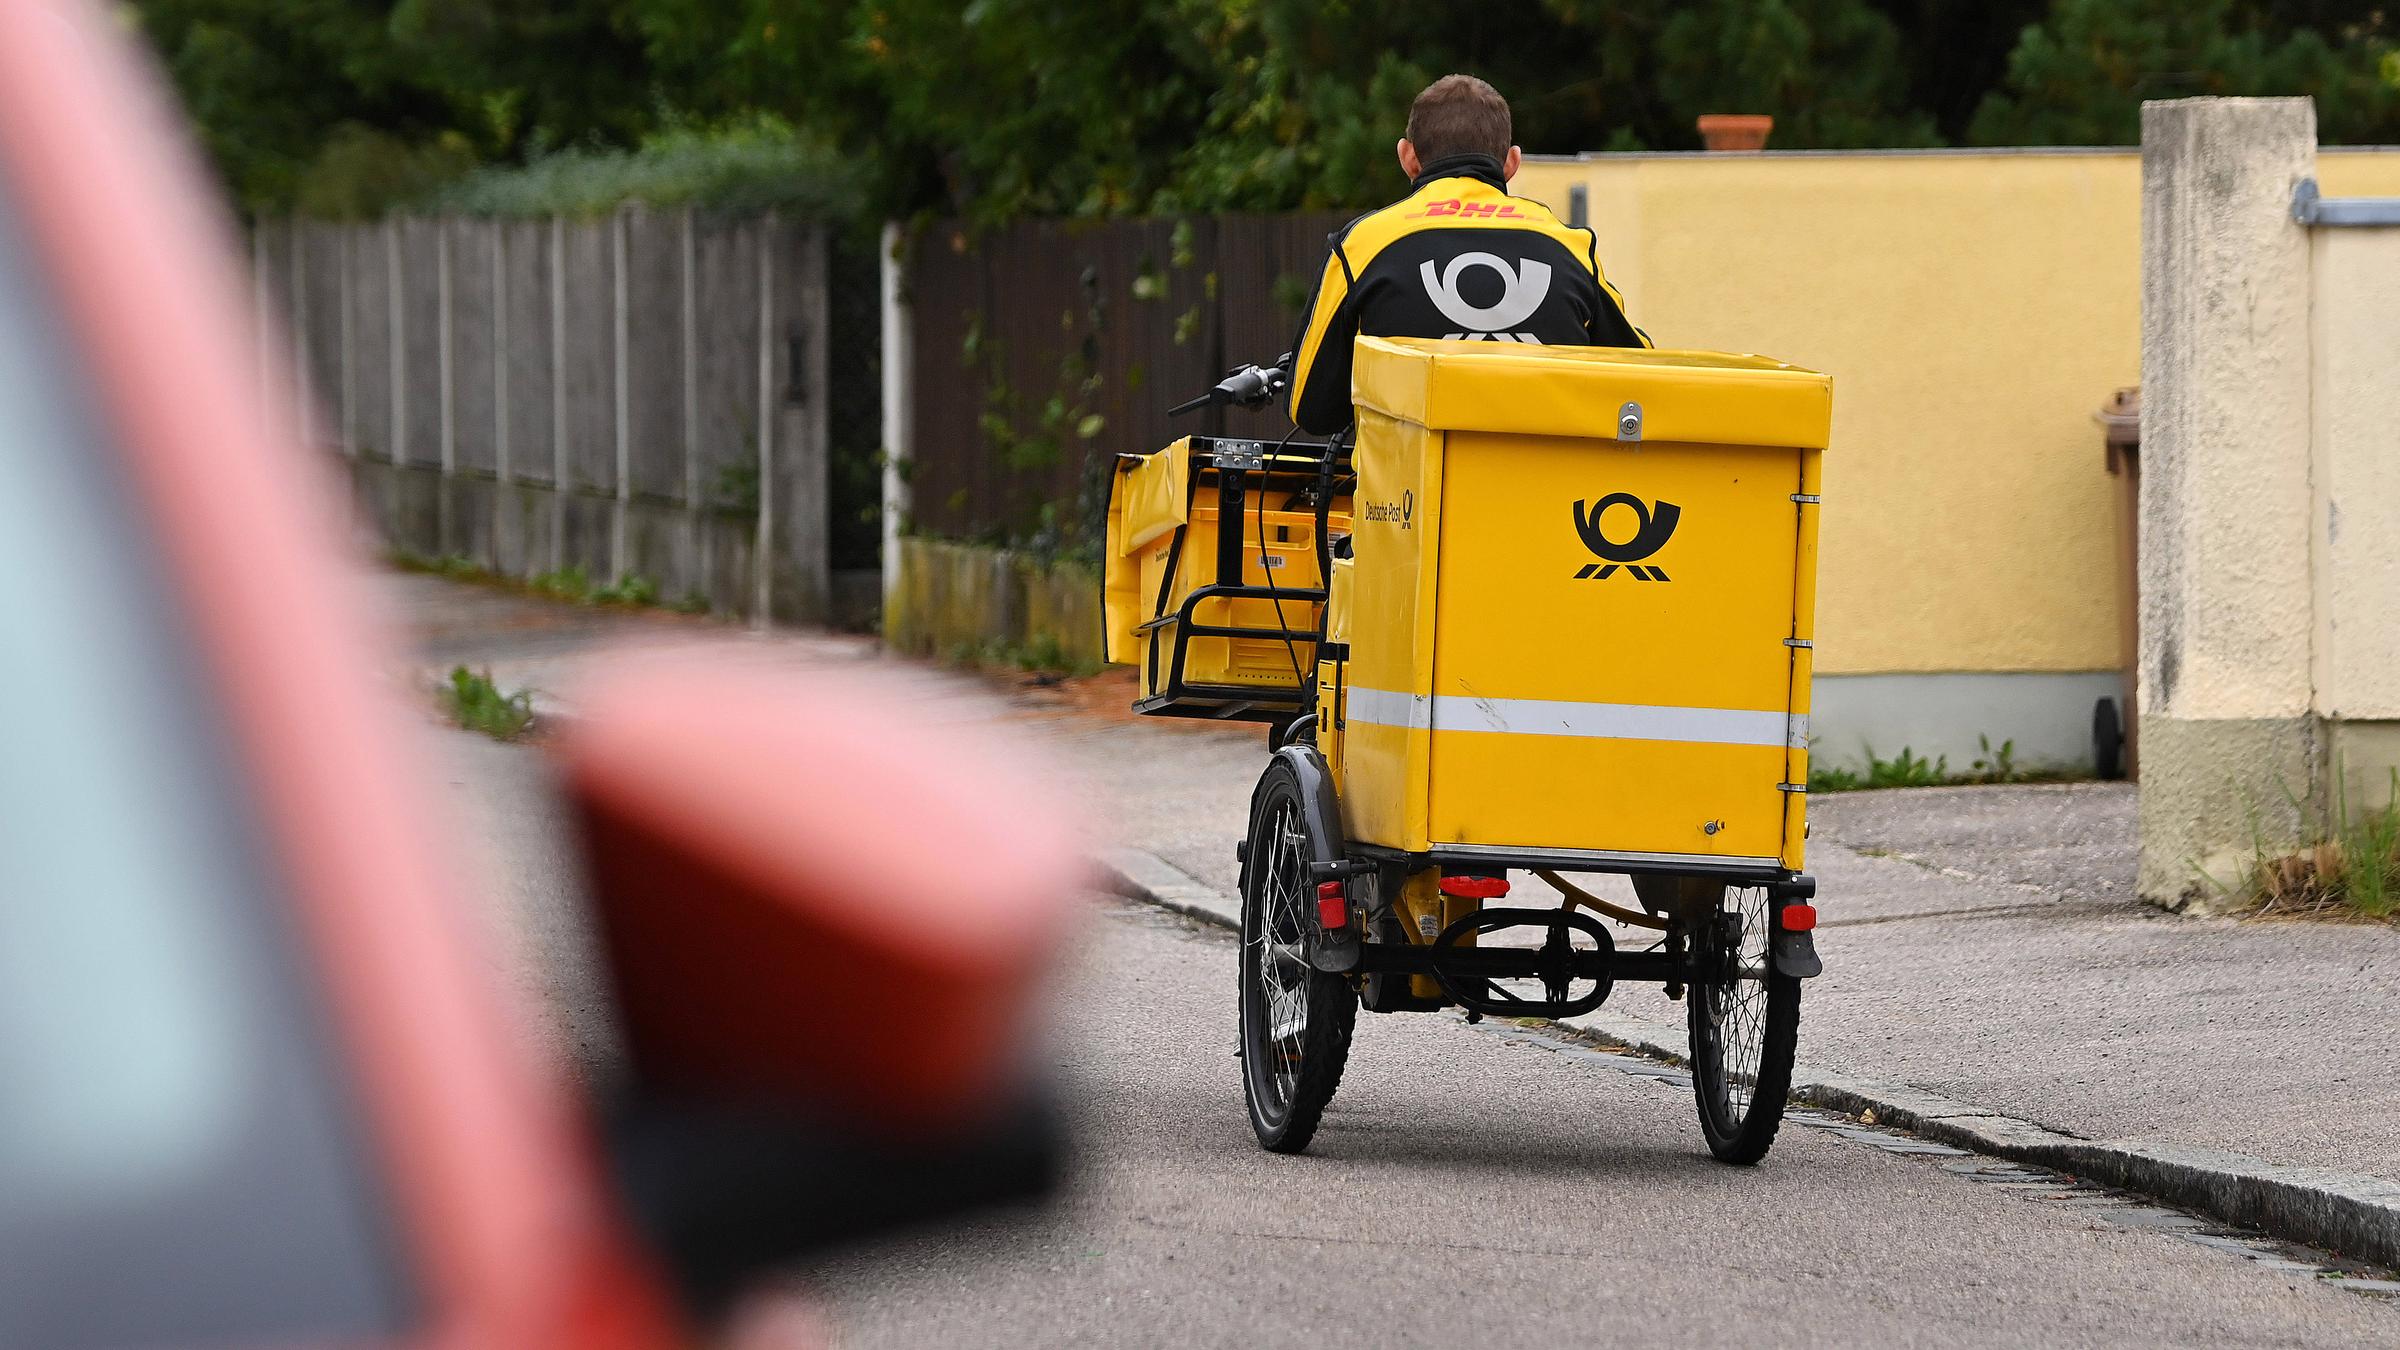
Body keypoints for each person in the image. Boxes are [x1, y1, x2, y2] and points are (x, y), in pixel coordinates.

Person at [1284, 73, 1650, 436]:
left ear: (1407, 157)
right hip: (1549, 490)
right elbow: (1643, 376)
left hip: (1410, 491)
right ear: (1511, 163)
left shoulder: (1363, 244)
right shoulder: (1570, 245)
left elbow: (1311, 409)